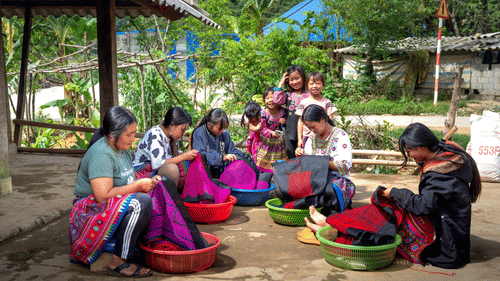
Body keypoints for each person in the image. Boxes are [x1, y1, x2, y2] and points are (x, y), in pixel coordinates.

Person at [305, 123, 482, 269]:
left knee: (388, 215)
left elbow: (423, 206)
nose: (410, 155)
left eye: (410, 150)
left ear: (422, 147)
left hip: (445, 243)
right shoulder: (447, 154)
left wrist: (397, 193)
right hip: (443, 222)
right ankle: (334, 222)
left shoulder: (441, 174)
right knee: (387, 209)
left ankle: (334, 225)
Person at [69, 106, 157, 278]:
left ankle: (138, 246)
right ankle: (118, 261)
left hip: (110, 202)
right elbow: (102, 196)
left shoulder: (122, 149)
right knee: (141, 203)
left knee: (159, 188)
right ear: (112, 135)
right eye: (129, 134)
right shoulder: (101, 154)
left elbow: (126, 180)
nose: (133, 138)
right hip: (91, 208)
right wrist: (138, 186)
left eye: (134, 133)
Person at [295, 104, 355, 210]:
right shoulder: (312, 137)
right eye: (309, 128)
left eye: (313, 126)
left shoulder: (340, 136)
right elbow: (309, 159)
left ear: (323, 120)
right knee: (295, 184)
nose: (312, 130)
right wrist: (302, 155)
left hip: (337, 180)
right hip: (317, 178)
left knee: (328, 190)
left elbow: (346, 166)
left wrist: (322, 163)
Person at [133, 106, 198, 189]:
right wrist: (183, 156)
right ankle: (169, 198)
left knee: (189, 163)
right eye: (182, 130)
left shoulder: (172, 138)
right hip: (143, 173)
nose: (184, 133)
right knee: (171, 170)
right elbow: (158, 164)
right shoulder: (155, 135)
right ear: (171, 126)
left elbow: (174, 157)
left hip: (156, 170)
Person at [191, 108, 253, 178]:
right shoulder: (199, 133)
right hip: (208, 168)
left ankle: (257, 179)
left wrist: (240, 156)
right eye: (219, 129)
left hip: (220, 163)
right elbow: (200, 155)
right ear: (209, 124)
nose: (222, 131)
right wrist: (221, 157)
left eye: (224, 128)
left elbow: (231, 150)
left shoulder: (224, 133)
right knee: (235, 168)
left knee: (246, 158)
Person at [273, 65, 310, 159]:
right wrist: (280, 83)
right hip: (290, 132)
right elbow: (276, 99)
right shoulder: (287, 94)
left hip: (307, 132)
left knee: (306, 157)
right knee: (292, 158)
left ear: (303, 77)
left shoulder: (309, 94)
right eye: (291, 80)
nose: (294, 82)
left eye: (297, 78)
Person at [295, 72, 337, 149]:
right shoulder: (303, 103)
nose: (314, 86)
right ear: (307, 86)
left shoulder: (327, 103)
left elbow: (330, 120)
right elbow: (300, 122)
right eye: (311, 84)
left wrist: (331, 135)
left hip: (323, 136)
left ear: (323, 85)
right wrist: (300, 139)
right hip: (307, 137)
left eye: (318, 83)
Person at [249, 87, 287, 172]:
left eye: (273, 97)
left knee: (278, 162)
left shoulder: (283, 111)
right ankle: (263, 178)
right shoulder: (263, 113)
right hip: (266, 142)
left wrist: (284, 122)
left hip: (279, 143)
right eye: (267, 98)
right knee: (263, 161)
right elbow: (262, 128)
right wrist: (271, 133)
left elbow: (287, 126)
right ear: (264, 101)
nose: (270, 100)